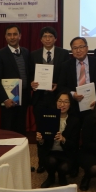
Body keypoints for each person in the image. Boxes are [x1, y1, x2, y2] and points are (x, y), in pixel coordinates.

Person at [30, 26, 70, 174]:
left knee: (58, 130)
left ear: (55, 38)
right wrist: (31, 83)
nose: (47, 39)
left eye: (50, 36)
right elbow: (29, 75)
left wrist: (58, 85)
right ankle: (42, 162)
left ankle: (63, 159)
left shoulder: (64, 54)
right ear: (40, 39)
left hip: (57, 99)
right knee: (42, 133)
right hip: (40, 100)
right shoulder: (33, 55)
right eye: (45, 36)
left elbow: (66, 74)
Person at [36, 91, 81, 188]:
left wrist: (63, 139)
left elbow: (74, 145)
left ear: (70, 104)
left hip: (67, 153)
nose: (62, 104)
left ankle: (62, 176)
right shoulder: (47, 117)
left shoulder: (75, 121)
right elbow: (41, 144)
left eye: (66, 102)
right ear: (55, 102)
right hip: (51, 151)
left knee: (64, 167)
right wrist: (40, 140)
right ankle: (51, 177)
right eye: (60, 101)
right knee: (50, 161)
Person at [0, 24, 30, 135]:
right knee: (8, 131)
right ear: (5, 37)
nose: (12, 37)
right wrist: (4, 99)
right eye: (9, 35)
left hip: (23, 99)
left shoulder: (26, 52)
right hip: (8, 100)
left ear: (20, 36)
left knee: (21, 130)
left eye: (15, 34)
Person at [58, 37, 96, 123]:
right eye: (75, 48)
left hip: (94, 105)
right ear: (72, 50)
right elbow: (61, 86)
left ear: (87, 48)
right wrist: (72, 94)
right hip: (74, 106)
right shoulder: (66, 65)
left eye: (81, 47)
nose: (78, 50)